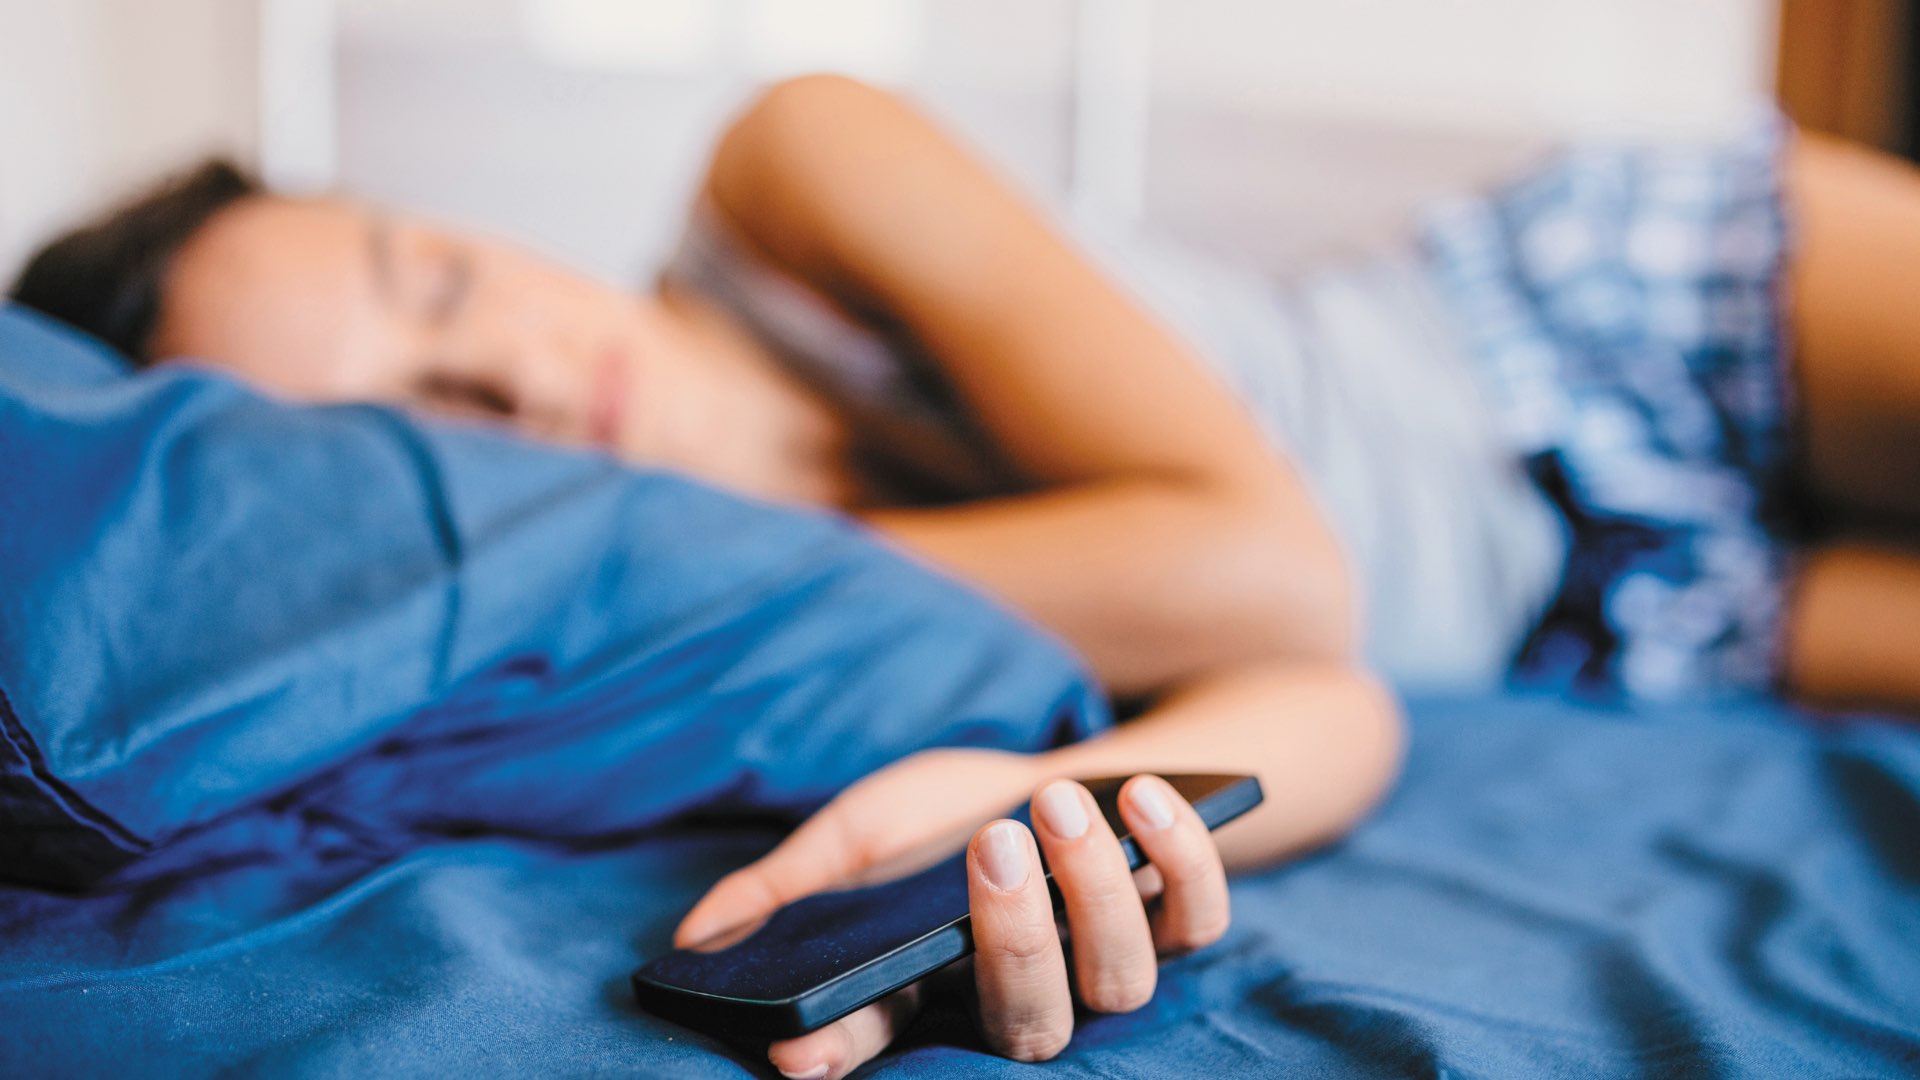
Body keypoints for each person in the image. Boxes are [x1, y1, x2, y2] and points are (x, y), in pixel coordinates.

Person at [8, 71, 1918, 1070]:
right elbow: (1324, 703)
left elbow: (1271, 580)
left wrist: (731, 580)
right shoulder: (720, 660)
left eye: (438, 280)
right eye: (424, 422)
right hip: (1609, 637)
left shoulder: (791, 173)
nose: (507, 367)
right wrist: (1054, 800)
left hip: (1581, 337)